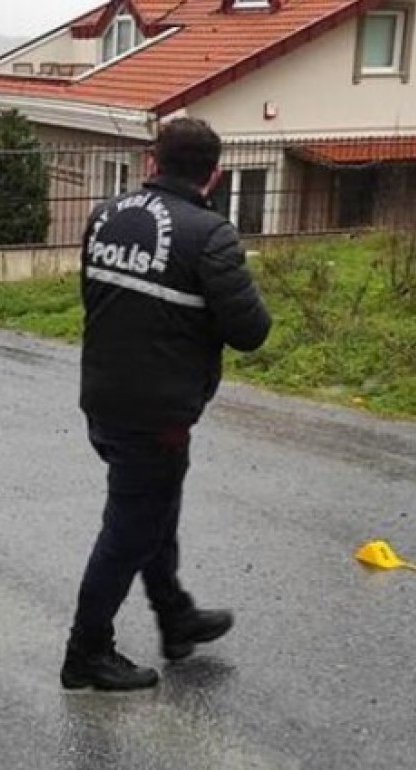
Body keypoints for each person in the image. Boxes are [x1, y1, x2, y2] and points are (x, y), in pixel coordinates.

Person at [61, 119, 272, 692]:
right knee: (129, 530)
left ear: (153, 161)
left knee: (154, 509)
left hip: (103, 398)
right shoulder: (210, 234)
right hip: (157, 414)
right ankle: (86, 653)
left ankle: (175, 617)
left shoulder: (106, 215)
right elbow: (251, 331)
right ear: (216, 173)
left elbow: (93, 296)